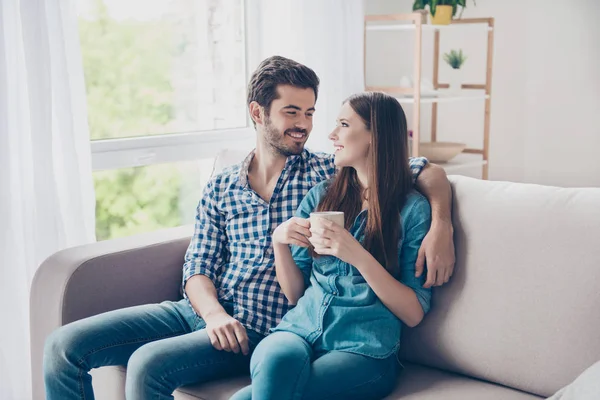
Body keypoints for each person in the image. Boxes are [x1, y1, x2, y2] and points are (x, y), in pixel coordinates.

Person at [43, 56, 454, 399]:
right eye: (291, 112)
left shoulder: (327, 175)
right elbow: (198, 265)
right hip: (203, 312)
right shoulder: (224, 183)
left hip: (258, 327)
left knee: (148, 365)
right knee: (63, 348)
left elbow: (414, 170)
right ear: (258, 113)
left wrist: (441, 223)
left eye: (310, 112)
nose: (306, 125)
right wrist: (213, 313)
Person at [229, 91, 432, 400]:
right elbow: (296, 293)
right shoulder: (321, 196)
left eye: (344, 125)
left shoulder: (412, 210)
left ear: (373, 136)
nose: (331, 134)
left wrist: (358, 256)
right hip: (299, 329)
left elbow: (413, 312)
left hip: (364, 347)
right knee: (275, 360)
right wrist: (279, 242)